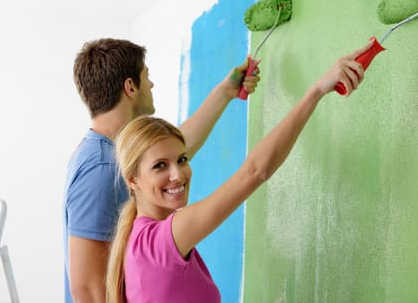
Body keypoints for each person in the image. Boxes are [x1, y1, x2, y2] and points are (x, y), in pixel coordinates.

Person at [105, 39, 375, 303]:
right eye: (160, 166)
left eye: (183, 160)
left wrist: (225, 92)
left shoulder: (138, 239)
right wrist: (316, 90)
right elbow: (256, 171)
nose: (178, 174)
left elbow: (171, 146)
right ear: (133, 179)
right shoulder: (162, 242)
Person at [63, 38, 260, 303]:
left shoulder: (111, 152)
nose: (152, 84)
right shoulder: (100, 169)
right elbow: (87, 289)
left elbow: (176, 146)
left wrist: (225, 92)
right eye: (147, 76)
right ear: (130, 87)